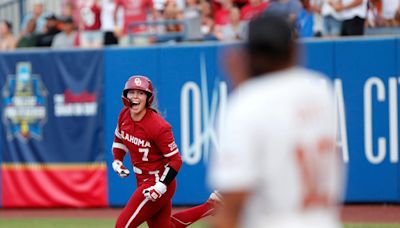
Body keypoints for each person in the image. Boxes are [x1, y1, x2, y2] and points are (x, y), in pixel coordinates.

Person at [208, 13, 344, 228]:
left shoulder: (247, 102)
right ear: (295, 49)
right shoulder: (320, 90)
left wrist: (243, 87)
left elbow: (232, 204)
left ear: (248, 54)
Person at [112, 75, 222, 228]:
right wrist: (118, 161)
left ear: (148, 98)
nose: (135, 96)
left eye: (141, 93)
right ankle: (212, 206)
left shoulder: (158, 126)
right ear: (125, 96)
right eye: (132, 92)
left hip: (157, 182)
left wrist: (160, 186)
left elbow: (176, 160)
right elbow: (119, 138)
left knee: (122, 226)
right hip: (142, 180)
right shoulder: (124, 115)